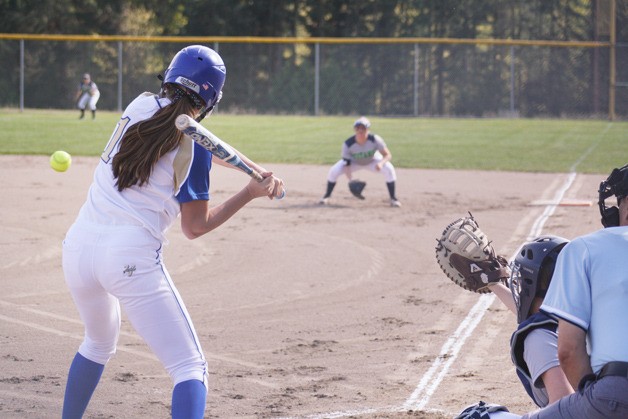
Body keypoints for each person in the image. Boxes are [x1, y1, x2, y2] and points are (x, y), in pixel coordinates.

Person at [61, 45, 284, 419]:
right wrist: (249, 191)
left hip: (78, 248)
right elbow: (195, 227)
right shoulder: (193, 147)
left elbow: (195, 139)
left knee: (98, 344)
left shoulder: (140, 106)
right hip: (129, 258)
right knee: (189, 368)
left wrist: (253, 169)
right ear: (212, 98)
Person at [457, 164, 628, 419]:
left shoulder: (587, 252)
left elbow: (563, 351)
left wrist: (591, 399)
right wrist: (494, 284)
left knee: (477, 416)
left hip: (613, 396)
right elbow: (542, 317)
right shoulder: (598, 305)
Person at [318, 116, 401, 207]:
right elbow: (347, 164)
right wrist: (351, 180)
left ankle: (393, 198)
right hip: (354, 162)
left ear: (368, 129)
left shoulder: (375, 140)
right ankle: (326, 196)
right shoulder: (348, 144)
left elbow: (388, 155)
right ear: (355, 130)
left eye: (363, 128)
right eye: (358, 128)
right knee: (333, 171)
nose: (360, 131)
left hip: (372, 160)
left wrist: (381, 163)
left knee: (389, 168)